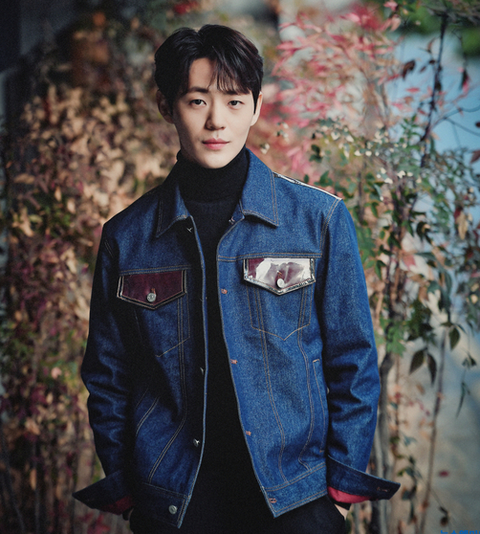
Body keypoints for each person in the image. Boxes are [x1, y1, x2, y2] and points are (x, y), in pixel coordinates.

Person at [73, 24, 399, 533]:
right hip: (175, 504)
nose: (216, 121)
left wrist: (336, 498)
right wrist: (131, 494)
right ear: (167, 107)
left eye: (233, 101)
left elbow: (352, 361)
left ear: (257, 106)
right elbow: (108, 375)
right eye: (197, 101)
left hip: (296, 497)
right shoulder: (127, 237)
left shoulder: (318, 220)